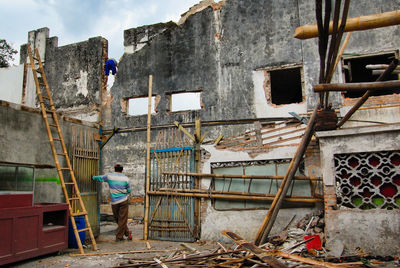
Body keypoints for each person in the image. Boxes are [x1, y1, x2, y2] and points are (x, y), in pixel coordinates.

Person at [92, 164, 132, 241]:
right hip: (124, 200)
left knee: (117, 218)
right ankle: (127, 232)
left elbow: (99, 178)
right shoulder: (126, 179)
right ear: (122, 170)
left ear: (114, 169)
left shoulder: (109, 176)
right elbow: (129, 190)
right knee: (122, 219)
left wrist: (93, 177)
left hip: (114, 202)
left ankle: (119, 237)